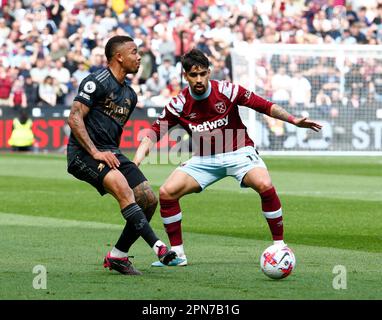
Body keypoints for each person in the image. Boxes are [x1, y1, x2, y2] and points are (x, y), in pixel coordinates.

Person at [133, 49, 322, 267]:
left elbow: (265, 105)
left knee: (264, 184)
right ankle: (178, 254)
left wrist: (293, 119)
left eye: (203, 74)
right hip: (205, 159)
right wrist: (136, 162)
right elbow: (152, 134)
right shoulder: (178, 104)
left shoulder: (227, 91)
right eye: (193, 75)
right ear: (185, 76)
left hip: (239, 152)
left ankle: (279, 245)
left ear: (209, 72)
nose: (199, 79)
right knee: (167, 193)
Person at [66, 35, 177, 275]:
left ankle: (118, 256)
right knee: (124, 190)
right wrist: (95, 151)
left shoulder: (130, 95)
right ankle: (158, 246)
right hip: (84, 153)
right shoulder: (96, 81)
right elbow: (74, 117)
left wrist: (112, 154)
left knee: (148, 199)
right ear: (119, 56)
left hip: (111, 153)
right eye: (135, 52)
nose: (139, 58)